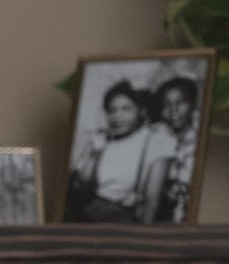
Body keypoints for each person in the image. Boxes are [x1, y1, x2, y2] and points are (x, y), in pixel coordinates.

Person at [66, 81, 173, 223]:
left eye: (126, 109)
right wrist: (95, 154)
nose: (117, 116)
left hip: (119, 216)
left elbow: (152, 200)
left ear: (142, 111)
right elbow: (84, 185)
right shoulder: (104, 139)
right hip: (87, 208)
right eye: (112, 110)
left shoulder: (155, 139)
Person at [152, 75, 199, 223]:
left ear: (192, 104)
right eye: (166, 104)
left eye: (180, 102)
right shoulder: (157, 136)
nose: (173, 109)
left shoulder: (199, 137)